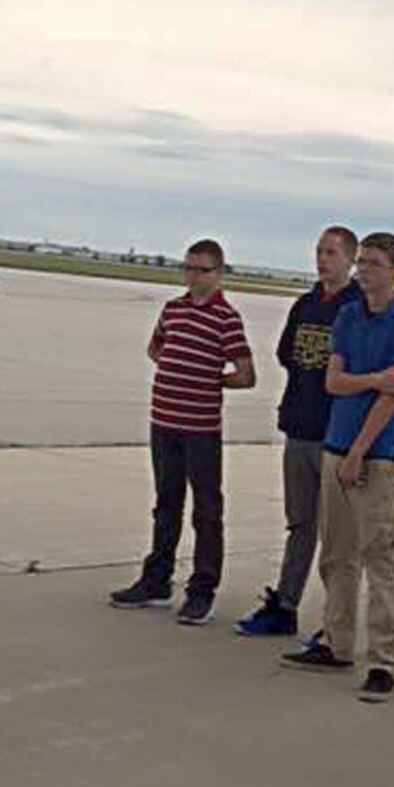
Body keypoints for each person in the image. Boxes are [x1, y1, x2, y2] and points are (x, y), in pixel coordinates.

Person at [282, 232, 394, 701]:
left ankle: (384, 659)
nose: (364, 270)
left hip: (377, 455)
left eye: (374, 263)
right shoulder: (347, 315)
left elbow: (392, 395)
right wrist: (371, 379)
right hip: (335, 445)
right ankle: (336, 641)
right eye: (361, 262)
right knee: (336, 554)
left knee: (378, 556)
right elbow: (335, 382)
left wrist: (361, 451)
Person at [110, 239, 255, 625]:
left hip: (201, 428)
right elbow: (156, 347)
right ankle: (157, 581)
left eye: (201, 270)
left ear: (218, 273)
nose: (192, 276)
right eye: (188, 268)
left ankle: (202, 589)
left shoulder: (226, 317)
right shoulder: (172, 309)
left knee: (206, 511)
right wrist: (173, 369)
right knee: (165, 505)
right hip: (164, 422)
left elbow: (246, 374)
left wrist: (210, 379)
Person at [236, 226, 361, 637]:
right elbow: (288, 353)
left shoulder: (357, 308)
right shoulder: (306, 303)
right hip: (300, 427)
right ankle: (285, 605)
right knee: (300, 523)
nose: (322, 259)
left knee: (338, 535)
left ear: (350, 259)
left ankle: (335, 622)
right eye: (319, 251)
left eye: (331, 253)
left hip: (336, 436)